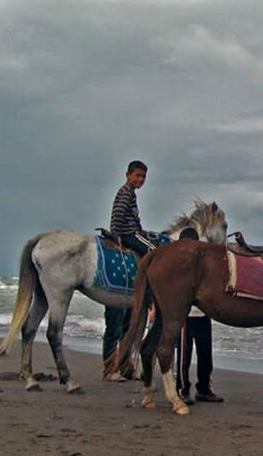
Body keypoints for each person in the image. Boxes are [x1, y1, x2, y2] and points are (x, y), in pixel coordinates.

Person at [103, 160, 151, 381]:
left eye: (143, 177)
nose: (140, 180)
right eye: (137, 176)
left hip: (132, 231)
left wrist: (141, 228)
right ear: (128, 175)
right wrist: (117, 236)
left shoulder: (131, 193)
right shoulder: (126, 192)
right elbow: (119, 215)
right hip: (126, 233)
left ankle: (123, 365)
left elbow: (131, 216)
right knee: (153, 252)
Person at [174, 227, 223, 404]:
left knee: (205, 354)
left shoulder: (203, 261)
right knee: (184, 355)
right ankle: (182, 389)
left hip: (203, 312)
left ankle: (204, 388)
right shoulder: (177, 263)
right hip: (185, 315)